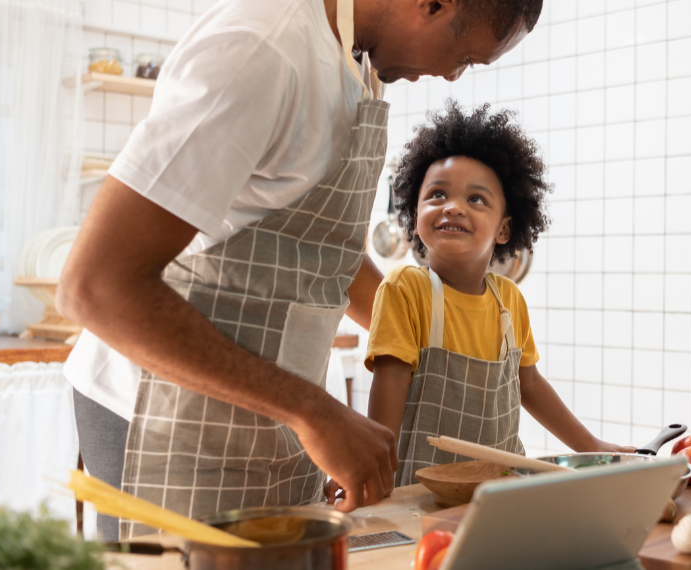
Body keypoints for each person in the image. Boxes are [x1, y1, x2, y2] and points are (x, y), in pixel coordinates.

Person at [56, 0, 541, 541]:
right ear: (430, 4)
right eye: (466, 56)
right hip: (160, 411)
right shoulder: (263, 47)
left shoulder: (358, 64)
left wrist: (431, 330)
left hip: (269, 416)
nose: (451, 75)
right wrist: (314, 411)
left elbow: (319, 251)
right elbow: (95, 287)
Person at [358, 101, 633, 488]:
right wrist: (373, 474)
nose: (453, 207)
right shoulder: (405, 290)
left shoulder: (509, 300)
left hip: (500, 490)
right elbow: (387, 388)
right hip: (420, 496)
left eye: (476, 199)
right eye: (437, 194)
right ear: (414, 215)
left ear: (504, 229)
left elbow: (530, 384)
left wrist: (590, 447)